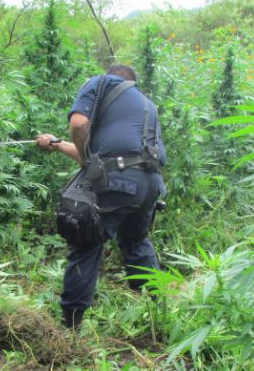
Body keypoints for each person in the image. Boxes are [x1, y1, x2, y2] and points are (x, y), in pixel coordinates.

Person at [36, 64, 166, 331]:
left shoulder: (101, 83)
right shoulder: (146, 106)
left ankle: (70, 328)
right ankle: (162, 310)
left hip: (118, 181)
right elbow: (110, 158)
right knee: (136, 240)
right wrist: (58, 144)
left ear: (111, 78)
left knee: (86, 241)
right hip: (149, 183)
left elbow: (79, 124)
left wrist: (86, 159)